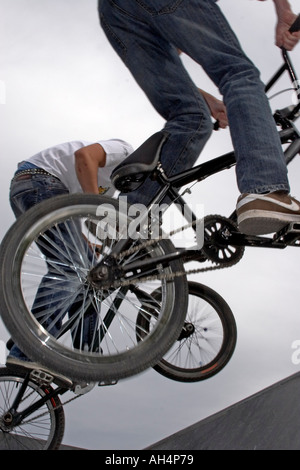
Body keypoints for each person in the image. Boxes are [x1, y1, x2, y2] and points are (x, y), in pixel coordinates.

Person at [98, 0, 300, 235]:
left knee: (193, 117)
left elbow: (171, 46)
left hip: (116, 11)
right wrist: (284, 10)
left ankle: (130, 219)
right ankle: (265, 190)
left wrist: (208, 101)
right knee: (238, 73)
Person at [6, 138, 134, 376]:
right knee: (71, 269)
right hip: (40, 181)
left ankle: (84, 360)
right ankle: (29, 348)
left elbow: (72, 212)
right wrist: (99, 210)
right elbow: (84, 156)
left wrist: (86, 244)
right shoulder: (126, 151)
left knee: (88, 277)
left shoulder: (115, 187)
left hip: (34, 190)